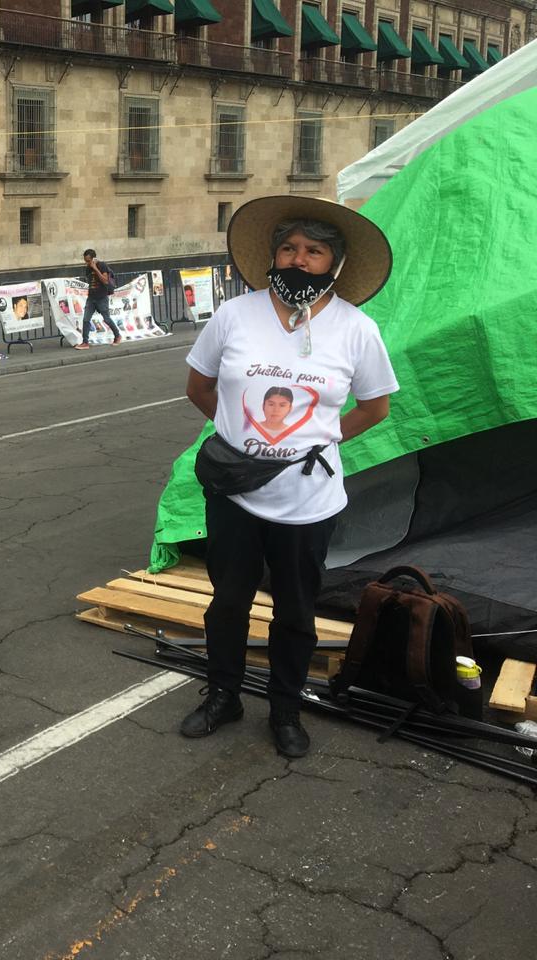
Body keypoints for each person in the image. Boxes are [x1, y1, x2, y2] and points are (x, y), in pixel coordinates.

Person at [179, 195, 399, 759]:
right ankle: (223, 695)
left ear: (336, 264)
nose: (299, 259)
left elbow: (376, 407)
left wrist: (316, 442)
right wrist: (243, 445)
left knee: (296, 612)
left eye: (314, 251)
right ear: (273, 255)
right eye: (288, 247)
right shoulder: (235, 314)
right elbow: (199, 386)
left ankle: (284, 710)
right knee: (226, 602)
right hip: (234, 494)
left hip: (308, 500)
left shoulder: (356, 329)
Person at [77, 248, 122, 349]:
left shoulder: (102, 265)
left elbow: (105, 281)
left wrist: (95, 268)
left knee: (106, 319)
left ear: (93, 259)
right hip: (91, 298)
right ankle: (85, 342)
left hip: (101, 297)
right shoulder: (88, 268)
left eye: (88, 261)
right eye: (85, 261)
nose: (87, 263)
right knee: (86, 319)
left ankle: (117, 335)